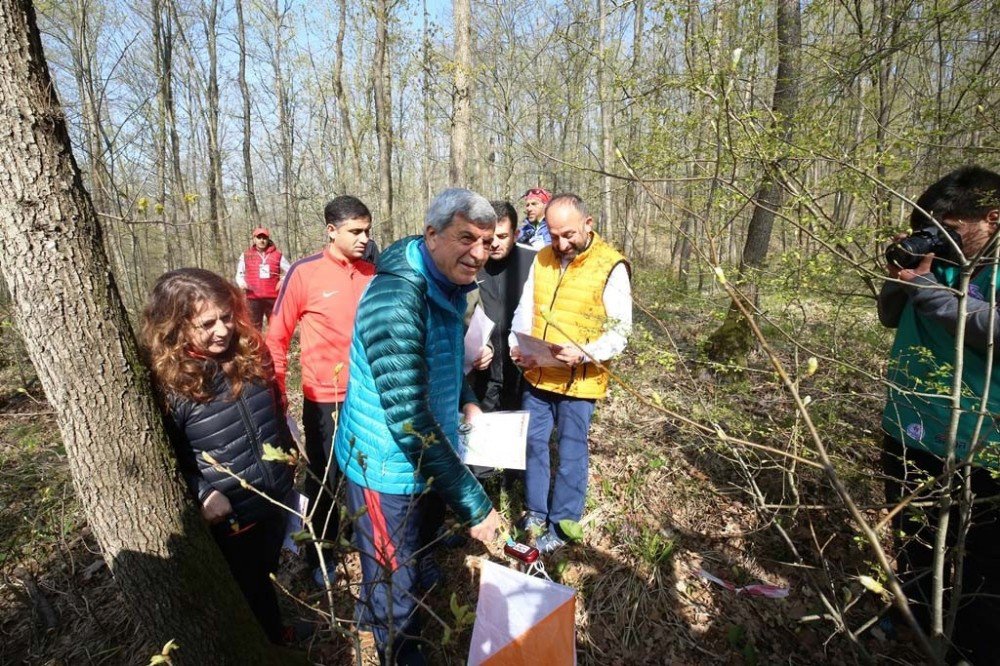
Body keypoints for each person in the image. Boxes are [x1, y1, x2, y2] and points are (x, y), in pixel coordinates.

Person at [333, 188, 503, 665]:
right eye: (466, 238)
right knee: (394, 586)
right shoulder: (397, 299)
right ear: (432, 234)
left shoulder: (445, 284)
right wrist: (473, 503)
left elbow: (442, 363)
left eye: (487, 242)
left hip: (422, 459)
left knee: (412, 555)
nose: (478, 253)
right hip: (385, 466)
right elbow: (407, 418)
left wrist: (467, 399)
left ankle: (402, 593)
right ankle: (396, 646)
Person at [878, 165, 1000, 664]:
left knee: (985, 570)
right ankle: (911, 614)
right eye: (932, 223)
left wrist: (937, 296)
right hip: (909, 427)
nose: (940, 233)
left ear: (992, 218)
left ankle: (970, 648)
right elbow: (891, 317)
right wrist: (901, 278)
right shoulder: (939, 260)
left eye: (950, 223)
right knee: (914, 541)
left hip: (983, 444)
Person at [141, 268, 295, 645]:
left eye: (227, 316)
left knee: (266, 571)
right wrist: (202, 492)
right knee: (246, 584)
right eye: (207, 323)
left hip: (274, 495)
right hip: (231, 512)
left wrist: (289, 448)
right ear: (175, 326)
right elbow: (166, 456)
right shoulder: (169, 381)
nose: (223, 330)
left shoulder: (250, 349)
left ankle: (276, 630)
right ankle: (267, 642)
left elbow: (273, 408)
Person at [509, 193, 632, 554]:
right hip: (538, 374)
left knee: (571, 452)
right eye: (553, 233)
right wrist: (519, 345)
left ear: (588, 224)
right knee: (533, 444)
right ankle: (535, 511)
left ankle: (563, 525)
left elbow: (621, 331)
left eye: (569, 234)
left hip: (581, 379)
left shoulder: (611, 266)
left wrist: (584, 353)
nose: (561, 243)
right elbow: (525, 308)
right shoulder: (542, 258)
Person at [265, 195, 376, 588]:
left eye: (367, 230)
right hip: (324, 396)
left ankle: (367, 543)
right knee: (325, 480)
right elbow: (276, 340)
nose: (364, 238)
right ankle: (321, 555)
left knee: (366, 473)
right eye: (355, 231)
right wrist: (278, 404)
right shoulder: (304, 273)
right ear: (331, 231)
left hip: (369, 393)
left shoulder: (372, 272)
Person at [468, 200, 534, 412]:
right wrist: (478, 347)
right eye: (490, 236)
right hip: (483, 374)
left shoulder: (536, 262)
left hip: (525, 373)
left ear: (515, 234)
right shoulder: (470, 264)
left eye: (503, 236)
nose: (494, 243)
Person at [235, 227, 291, 329]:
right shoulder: (246, 255)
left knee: (276, 326)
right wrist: (241, 283)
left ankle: (274, 345)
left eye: (264, 238)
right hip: (253, 298)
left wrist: (283, 281)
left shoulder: (277, 255)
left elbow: (290, 271)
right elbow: (239, 274)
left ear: (268, 239)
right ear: (254, 239)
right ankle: (257, 345)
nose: (262, 240)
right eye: (259, 237)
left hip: (273, 297)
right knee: (254, 328)